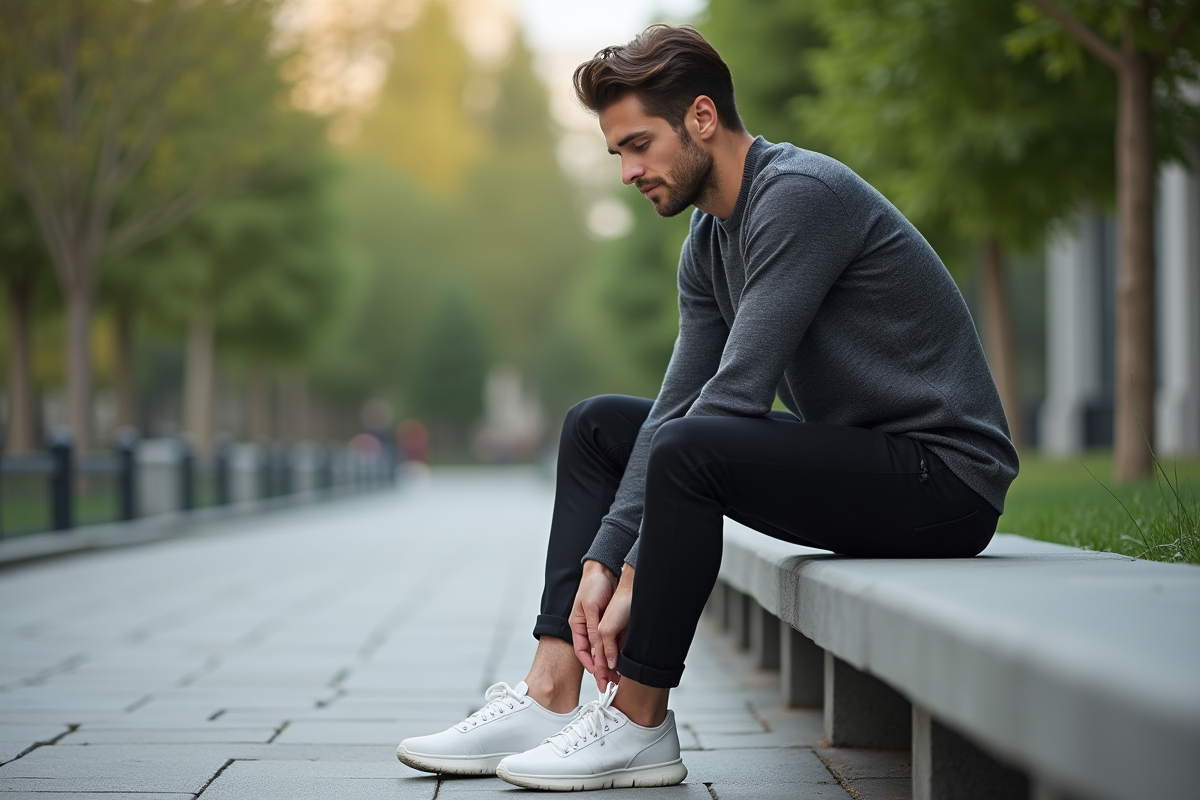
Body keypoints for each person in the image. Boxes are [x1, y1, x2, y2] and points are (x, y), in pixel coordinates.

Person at [396, 23, 1019, 792]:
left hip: (944, 482)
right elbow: (676, 405)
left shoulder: (799, 196)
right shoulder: (708, 238)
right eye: (617, 152)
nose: (627, 171)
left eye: (637, 145)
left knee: (696, 448)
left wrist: (630, 567)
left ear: (700, 118)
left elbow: (734, 399)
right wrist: (601, 558)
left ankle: (639, 719)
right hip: (862, 462)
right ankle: (551, 688)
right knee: (597, 426)